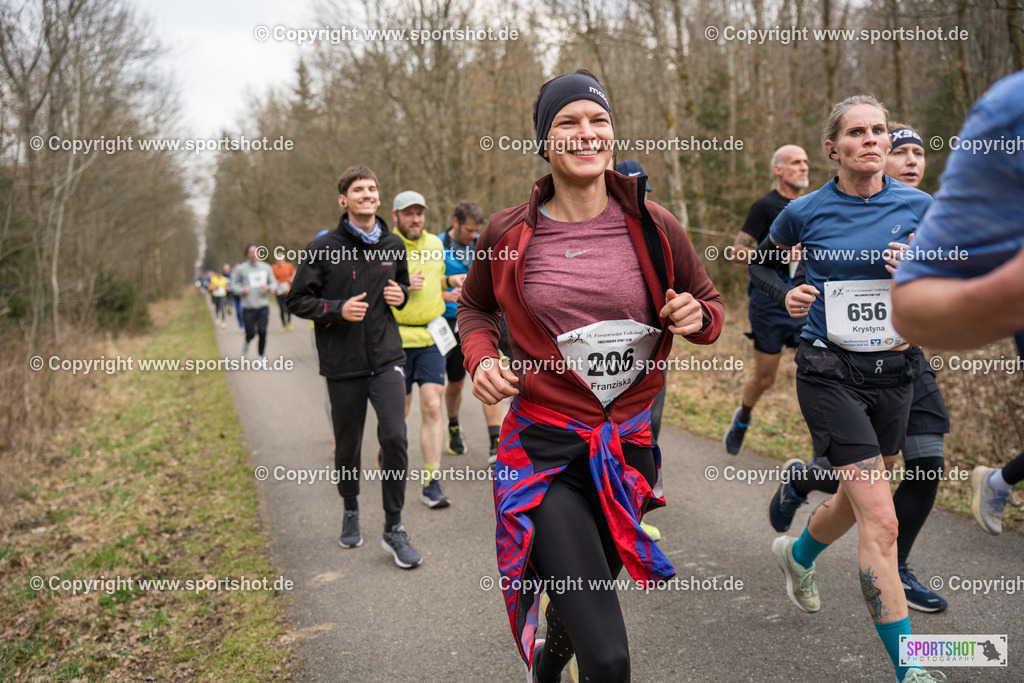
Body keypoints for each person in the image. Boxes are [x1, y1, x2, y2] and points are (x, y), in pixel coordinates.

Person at [458, 70, 724, 683]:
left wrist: (695, 314)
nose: (586, 133)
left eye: (597, 120)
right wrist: (482, 359)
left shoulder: (656, 225)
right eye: (567, 123)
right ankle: (560, 657)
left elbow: (710, 308)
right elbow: (474, 308)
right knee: (608, 658)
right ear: (544, 144)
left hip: (628, 453)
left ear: (612, 133)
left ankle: (550, 661)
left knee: (582, 611)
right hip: (544, 452)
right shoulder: (507, 233)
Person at [749, 95, 942, 682]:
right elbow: (762, 264)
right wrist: (786, 294)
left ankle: (798, 553)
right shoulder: (804, 211)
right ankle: (912, 668)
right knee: (882, 520)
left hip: (897, 371)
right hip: (829, 369)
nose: (873, 140)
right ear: (834, 148)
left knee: (859, 504)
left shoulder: (921, 205)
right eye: (857, 133)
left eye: (880, 130)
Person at [890, 71, 1024, 535]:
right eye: (898, 150)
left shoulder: (933, 206)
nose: (911, 160)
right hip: (839, 363)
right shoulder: (813, 210)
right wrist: (791, 293)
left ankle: (900, 570)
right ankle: (802, 486)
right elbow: (772, 264)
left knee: (926, 466)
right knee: (855, 476)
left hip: (907, 358)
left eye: (917, 152)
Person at [286, 166, 422, 569]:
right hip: (342, 364)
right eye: (358, 189)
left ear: (379, 198)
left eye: (372, 188)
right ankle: (350, 509)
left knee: (395, 437)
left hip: (386, 358)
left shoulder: (393, 245)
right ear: (343, 200)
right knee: (347, 446)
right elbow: (296, 301)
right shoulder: (323, 247)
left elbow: (399, 295)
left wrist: (401, 297)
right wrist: (336, 310)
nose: (367, 194)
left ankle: (394, 526)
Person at [722, 145, 809, 454]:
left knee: (818, 375)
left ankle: (826, 450)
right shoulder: (766, 206)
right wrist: (780, 252)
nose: (803, 167)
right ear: (779, 170)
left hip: (808, 305)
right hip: (769, 304)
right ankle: (743, 416)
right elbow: (735, 252)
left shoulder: (815, 205)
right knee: (765, 378)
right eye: (796, 162)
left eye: (806, 162)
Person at [390, 190, 452, 509]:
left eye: (420, 213)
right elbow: (372, 290)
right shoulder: (385, 246)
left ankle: (431, 482)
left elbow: (437, 282)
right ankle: (391, 454)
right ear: (395, 216)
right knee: (398, 412)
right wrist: (402, 287)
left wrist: (451, 290)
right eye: (409, 213)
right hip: (396, 340)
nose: (415, 219)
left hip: (431, 336)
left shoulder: (436, 245)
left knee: (431, 405)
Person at [615, 158, 664, 543]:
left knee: (647, 432)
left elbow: (701, 295)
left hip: (648, 357)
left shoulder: (658, 227)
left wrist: (691, 310)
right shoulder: (599, 229)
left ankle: (636, 511)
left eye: (640, 189)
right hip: (601, 360)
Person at [440, 201, 504, 464]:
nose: (472, 235)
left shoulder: (483, 244)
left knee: (492, 375)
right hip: (447, 323)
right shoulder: (436, 246)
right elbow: (420, 284)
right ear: (455, 223)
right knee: (455, 382)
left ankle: (495, 443)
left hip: (481, 323)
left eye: (476, 230)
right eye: (468, 230)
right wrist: (445, 289)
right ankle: (453, 426)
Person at [229, 244, 277, 364]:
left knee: (262, 331)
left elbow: (274, 284)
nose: (254, 254)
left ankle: (261, 356)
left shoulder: (266, 267)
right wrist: (241, 290)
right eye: (251, 252)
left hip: (262, 306)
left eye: (256, 252)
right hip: (248, 307)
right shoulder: (241, 269)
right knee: (250, 332)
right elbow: (232, 285)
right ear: (247, 254)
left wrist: (268, 288)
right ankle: (247, 340)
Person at [271, 253, 296, 331]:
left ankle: (289, 322)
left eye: (281, 260)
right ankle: (283, 325)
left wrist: (292, 278)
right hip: (278, 292)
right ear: (276, 261)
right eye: (278, 260)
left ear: (284, 260)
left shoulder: (288, 266)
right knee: (282, 309)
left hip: (287, 291)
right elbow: (270, 278)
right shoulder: (273, 268)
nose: (279, 262)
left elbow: (294, 273)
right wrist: (275, 281)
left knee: (288, 308)